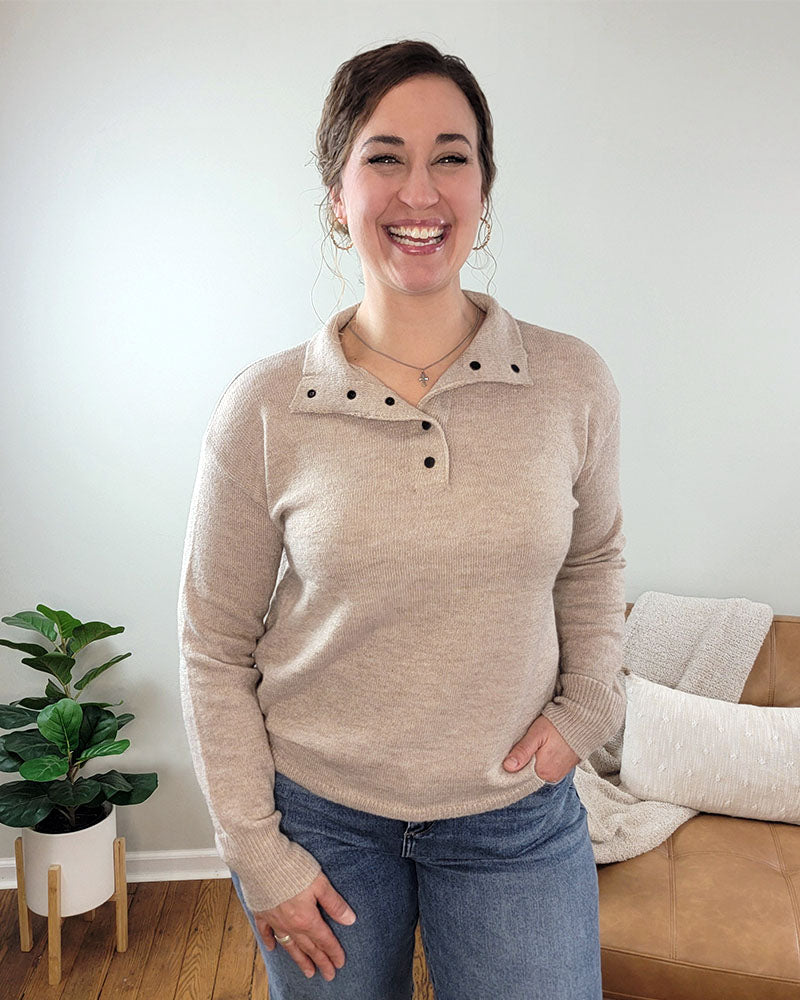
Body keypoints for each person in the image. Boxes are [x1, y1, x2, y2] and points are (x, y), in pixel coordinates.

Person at [177, 38, 626, 1000]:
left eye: (450, 157)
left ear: (484, 188)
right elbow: (213, 643)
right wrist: (258, 853)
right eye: (384, 158)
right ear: (338, 197)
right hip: (323, 828)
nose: (419, 192)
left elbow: (592, 560)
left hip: (515, 820)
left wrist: (589, 707)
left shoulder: (572, 382)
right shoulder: (261, 408)